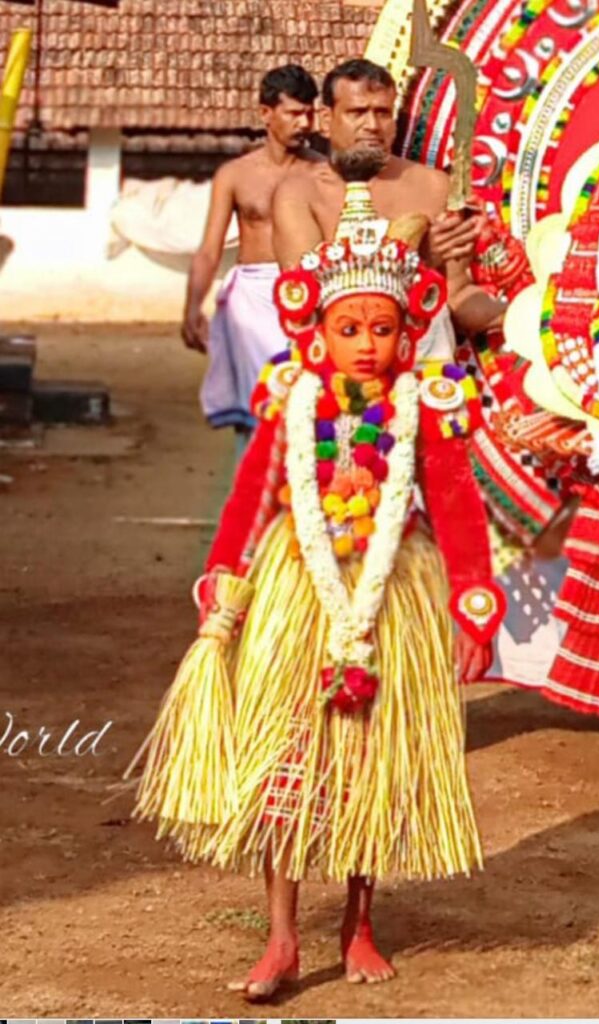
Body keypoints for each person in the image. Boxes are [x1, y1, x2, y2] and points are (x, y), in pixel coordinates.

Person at [133, 183, 506, 1000]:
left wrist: (472, 600)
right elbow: (252, 494)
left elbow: (452, 502)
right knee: (284, 762)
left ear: (407, 332)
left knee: (373, 762)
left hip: (391, 595)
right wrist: (225, 576)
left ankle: (360, 922)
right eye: (349, 330)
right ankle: (280, 938)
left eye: (382, 329)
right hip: (295, 588)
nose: (366, 345)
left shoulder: (429, 402)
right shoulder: (291, 398)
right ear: (320, 332)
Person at [273, 59, 506, 337]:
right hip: (336, 368)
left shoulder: (434, 186)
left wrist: (525, 318)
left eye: (383, 113)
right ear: (326, 120)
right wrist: (419, 261)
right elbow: (310, 303)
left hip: (426, 365)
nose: (372, 125)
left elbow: (457, 296)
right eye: (357, 112)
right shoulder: (298, 193)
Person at [182, 64, 319, 458]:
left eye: (309, 112)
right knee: (257, 410)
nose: (304, 122)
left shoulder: (324, 174)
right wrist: (192, 307)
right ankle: (254, 503)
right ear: (265, 114)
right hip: (250, 305)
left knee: (306, 404)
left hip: (307, 298)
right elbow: (209, 249)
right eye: (294, 113)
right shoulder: (235, 175)